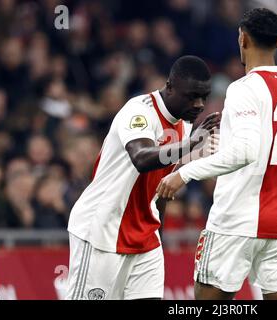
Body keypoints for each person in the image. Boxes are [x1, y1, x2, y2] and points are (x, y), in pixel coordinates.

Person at [157, 8, 277, 300]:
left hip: (237, 220)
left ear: (243, 39)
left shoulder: (243, 89)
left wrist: (183, 173)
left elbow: (245, 151)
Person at [66, 55, 220, 300]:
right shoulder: (138, 111)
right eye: (192, 96)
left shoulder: (185, 123)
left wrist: (159, 228)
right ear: (170, 87)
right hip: (102, 229)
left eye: (204, 96)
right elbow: (141, 157)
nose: (200, 104)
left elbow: (162, 185)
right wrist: (191, 144)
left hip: (145, 236)